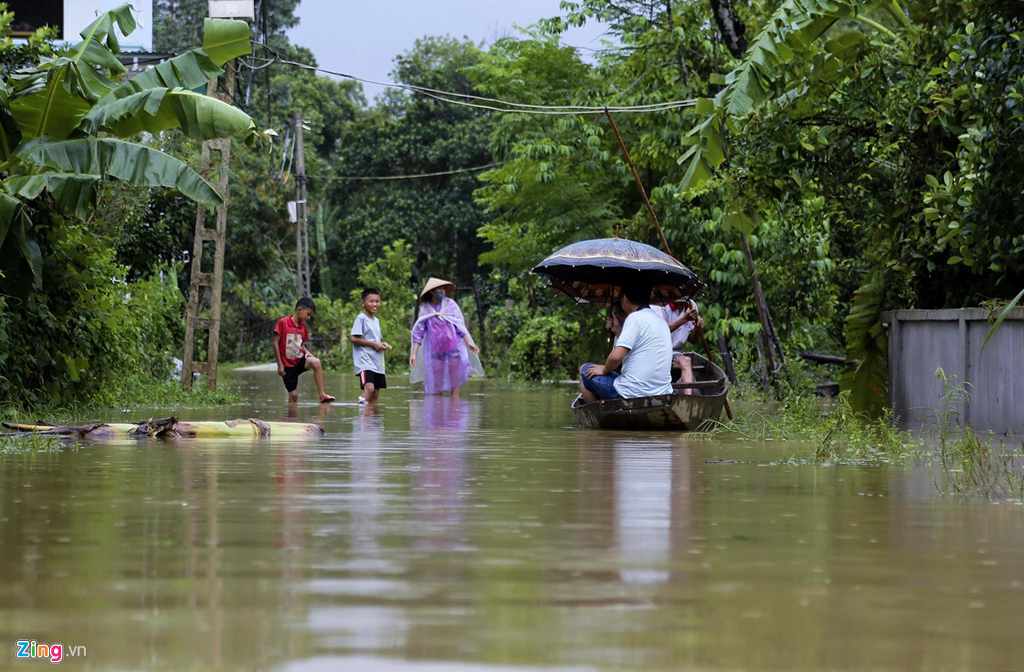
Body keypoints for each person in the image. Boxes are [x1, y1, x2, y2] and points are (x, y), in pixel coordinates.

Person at [579, 283, 673, 403]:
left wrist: (604, 370)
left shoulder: (634, 318)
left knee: (584, 370)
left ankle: (598, 418)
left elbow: (616, 357)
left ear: (624, 299)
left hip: (632, 393)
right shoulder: (661, 321)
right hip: (663, 393)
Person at [409, 277, 483, 398]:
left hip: (453, 349)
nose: (442, 291)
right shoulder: (425, 310)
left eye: (443, 288)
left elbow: (459, 326)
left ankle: (454, 414)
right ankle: (437, 414)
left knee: (455, 384)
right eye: (439, 289)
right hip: (435, 352)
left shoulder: (451, 305)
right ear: (431, 292)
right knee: (436, 386)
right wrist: (414, 354)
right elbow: (418, 333)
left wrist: (468, 342)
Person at [273, 297, 335, 404]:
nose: (309, 317)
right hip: (288, 366)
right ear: (299, 310)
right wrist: (280, 364)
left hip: (299, 360)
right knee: (294, 396)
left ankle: (322, 395)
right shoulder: (283, 322)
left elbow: (300, 344)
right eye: (308, 314)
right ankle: (290, 418)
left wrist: (308, 354)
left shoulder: (302, 326)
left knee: (316, 362)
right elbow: (275, 343)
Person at [652, 299, 704, 394]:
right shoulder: (659, 306)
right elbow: (661, 332)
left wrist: (697, 328)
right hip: (658, 353)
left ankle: (688, 399)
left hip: (675, 354)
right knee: (686, 361)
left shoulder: (691, 305)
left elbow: (692, 340)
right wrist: (684, 319)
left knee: (686, 361)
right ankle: (688, 399)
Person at [350, 288, 392, 405]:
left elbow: (375, 339)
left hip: (377, 362)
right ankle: (362, 417)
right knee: (369, 389)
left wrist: (383, 344)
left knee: (375, 394)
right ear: (363, 303)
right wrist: (373, 344)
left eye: (377, 301)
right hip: (365, 361)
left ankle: (372, 422)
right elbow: (353, 338)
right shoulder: (361, 318)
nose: (375, 304)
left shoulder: (376, 320)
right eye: (371, 301)